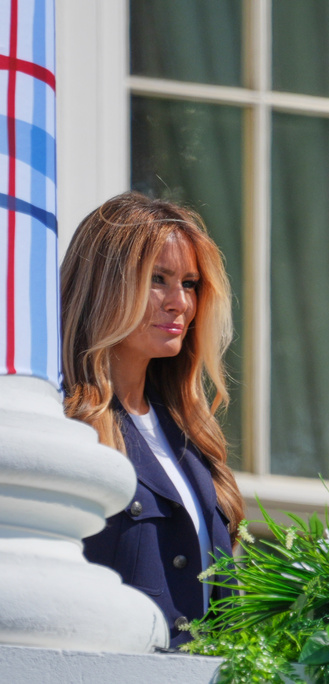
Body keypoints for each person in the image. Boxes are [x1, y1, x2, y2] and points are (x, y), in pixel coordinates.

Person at [61, 192, 244, 647]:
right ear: (103, 285)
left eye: (190, 283)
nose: (179, 303)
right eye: (157, 279)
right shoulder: (59, 423)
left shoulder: (194, 442)